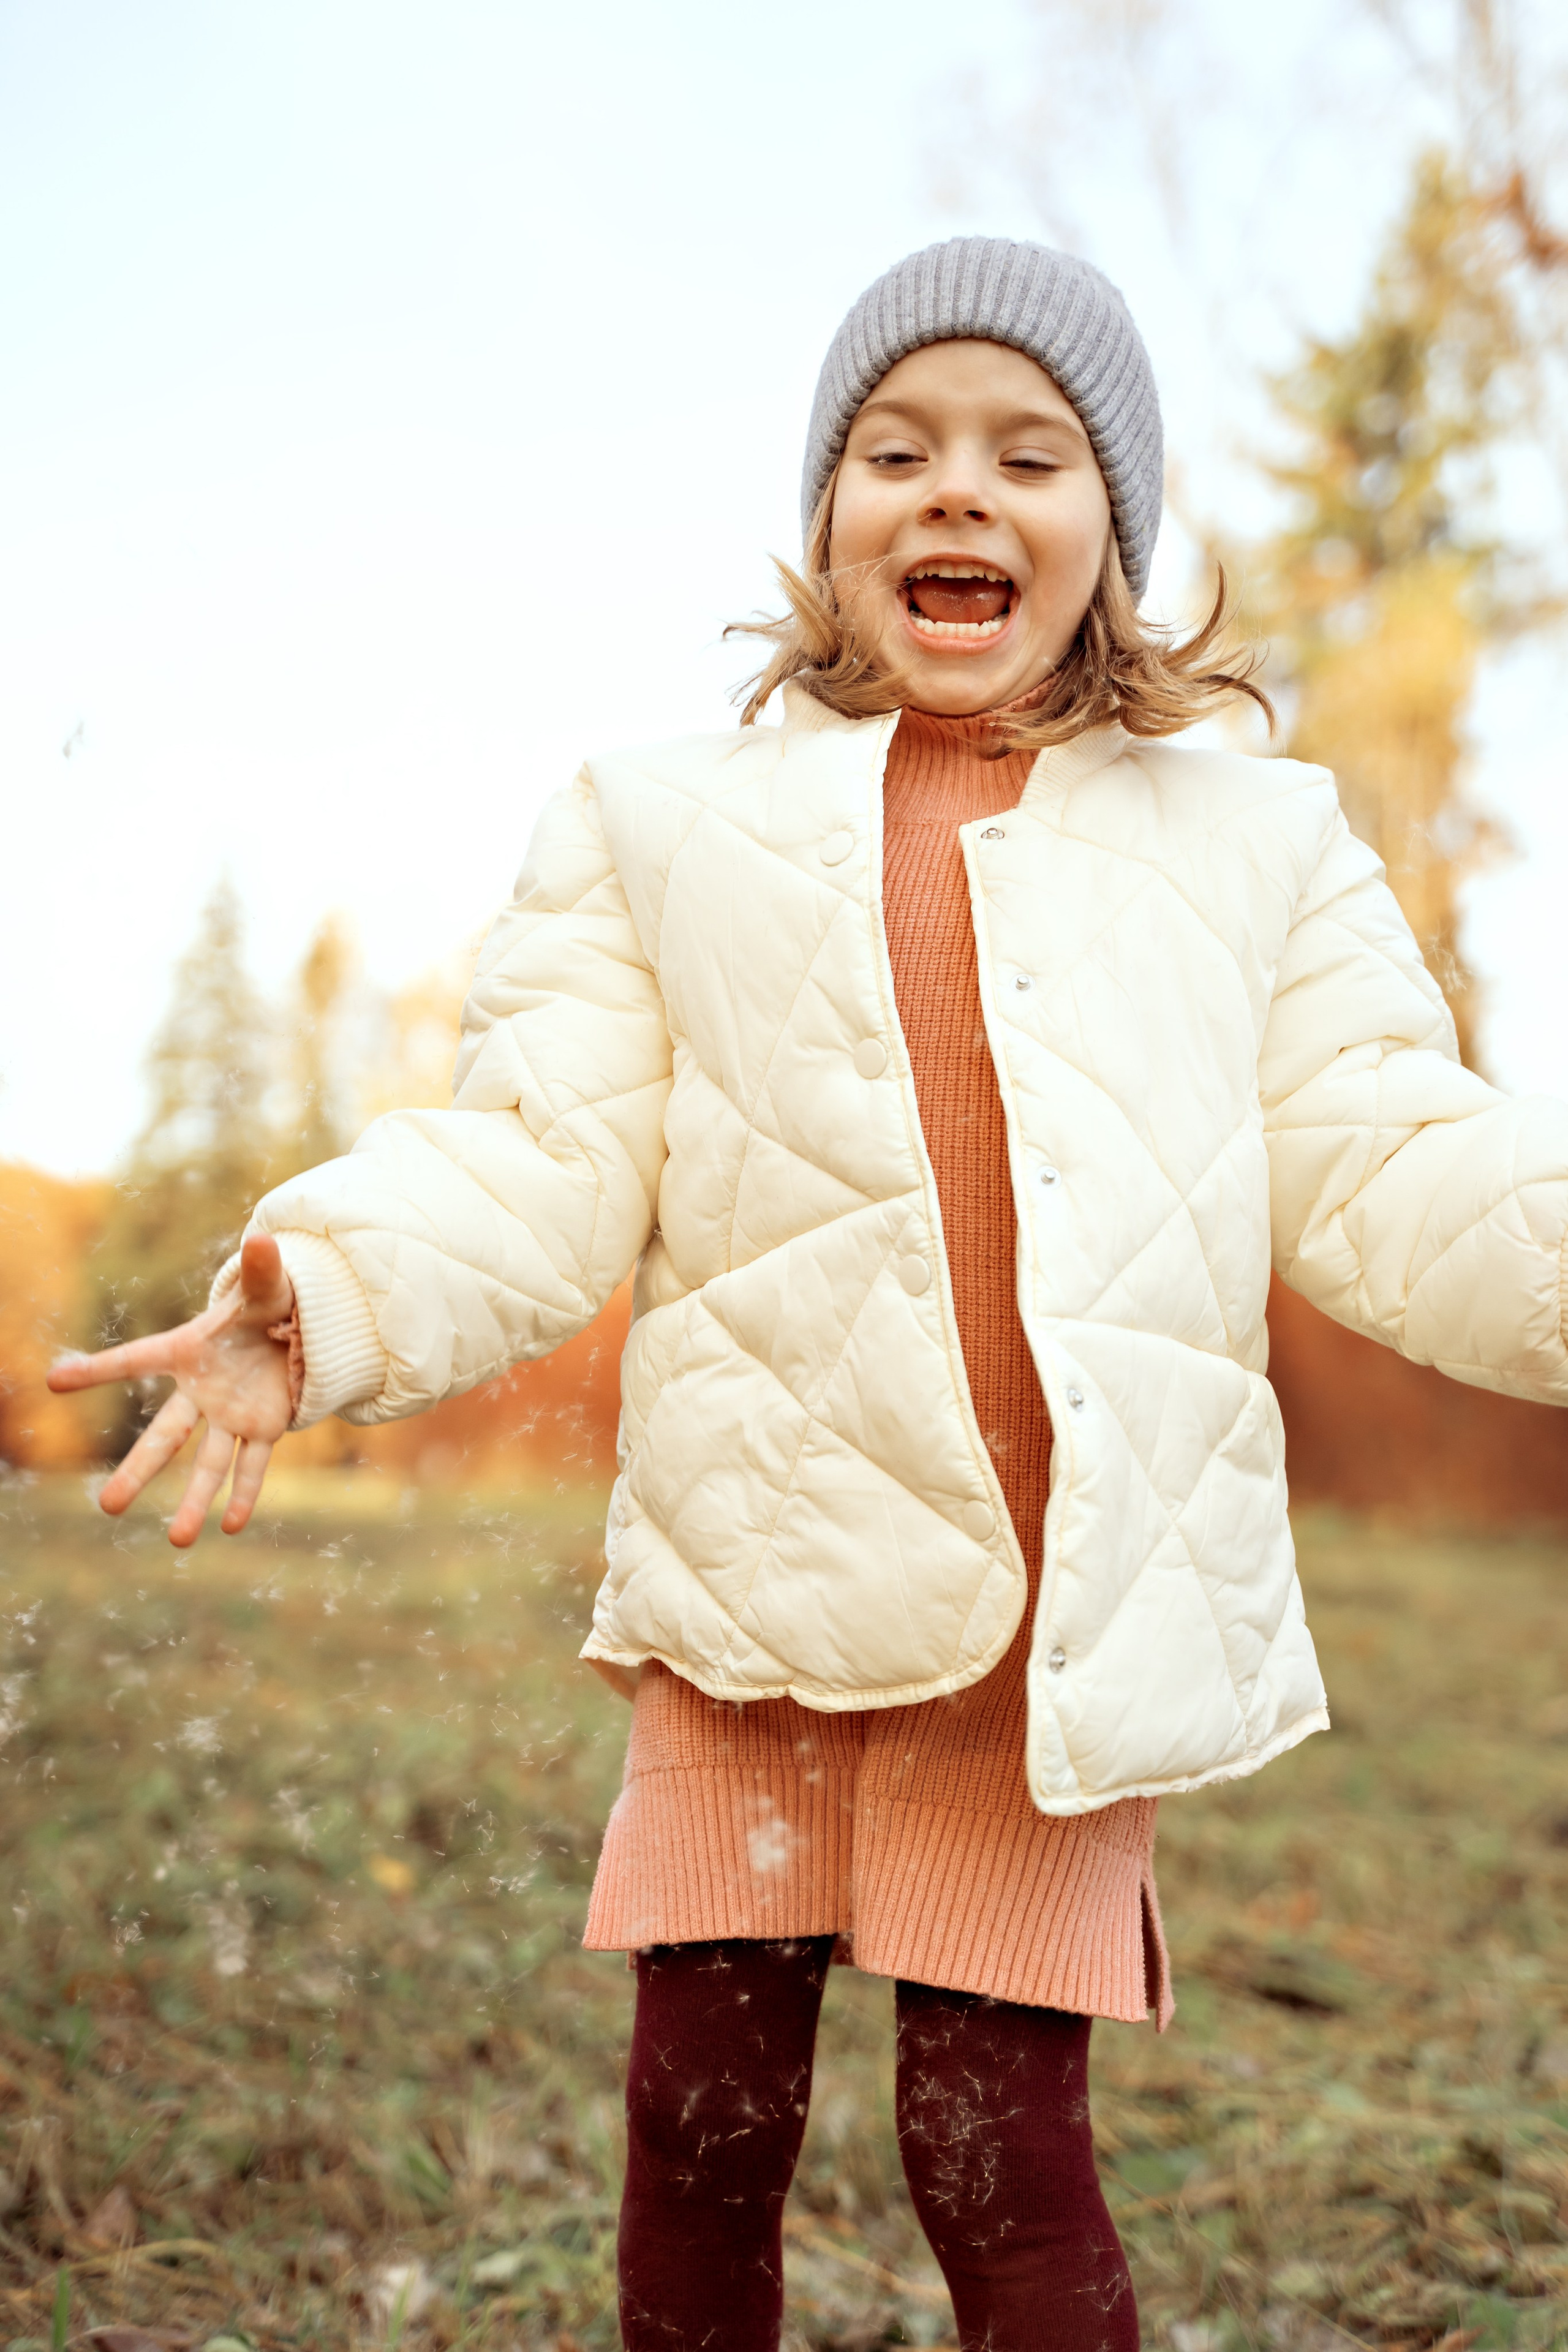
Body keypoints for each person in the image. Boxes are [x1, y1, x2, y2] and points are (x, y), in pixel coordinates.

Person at [51, 237, 1568, 2352]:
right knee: (700, 2119)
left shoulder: (1259, 850)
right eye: (896, 448)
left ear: (1112, 530)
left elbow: (1402, 1153)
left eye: (1029, 455)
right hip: (758, 1590)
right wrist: (330, 1290)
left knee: (997, 2156)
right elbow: (541, 1150)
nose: (957, 490)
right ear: (826, 521)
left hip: (1048, 1644)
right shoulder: (666, 826)